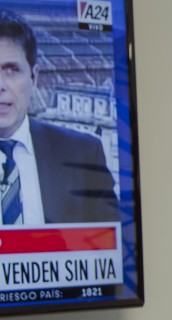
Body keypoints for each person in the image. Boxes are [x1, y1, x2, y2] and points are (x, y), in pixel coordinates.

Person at [0, 10, 119, 225]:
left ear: (34, 77)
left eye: (11, 70)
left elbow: (112, 240)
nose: (0, 86)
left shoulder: (83, 156)